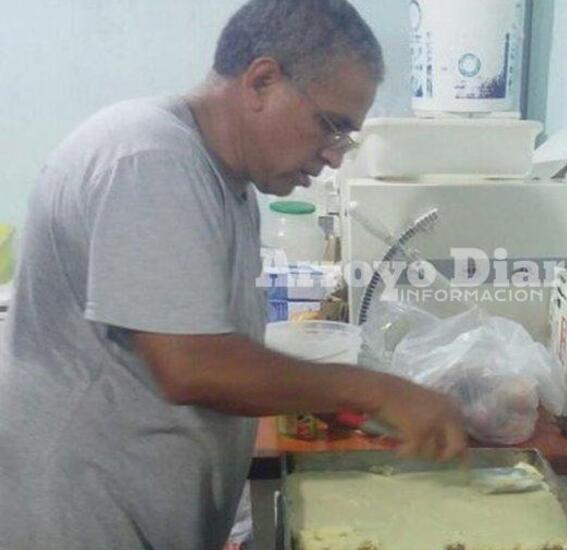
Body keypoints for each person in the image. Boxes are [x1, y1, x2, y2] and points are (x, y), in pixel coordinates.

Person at [0, 1, 467, 548]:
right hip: (81, 516)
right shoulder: (150, 159)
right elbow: (192, 365)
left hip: (136, 508)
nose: (336, 157)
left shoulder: (229, 183)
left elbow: (217, 347)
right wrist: (377, 391)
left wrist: (343, 401)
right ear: (262, 80)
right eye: (332, 126)